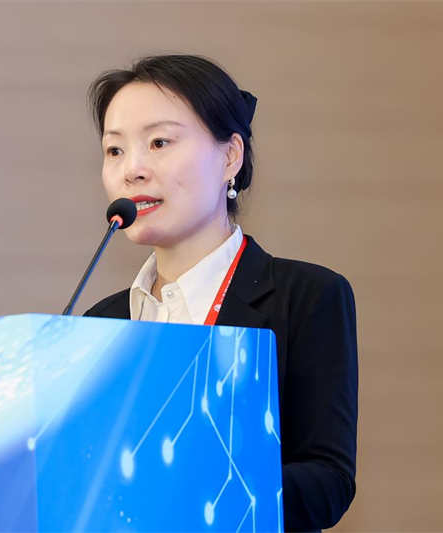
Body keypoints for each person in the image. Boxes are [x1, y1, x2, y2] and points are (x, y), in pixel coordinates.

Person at [83, 55, 358, 533]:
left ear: (230, 156)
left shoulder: (306, 297)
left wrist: (191, 483)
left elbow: (327, 485)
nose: (132, 170)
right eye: (115, 150)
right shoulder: (97, 325)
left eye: (159, 142)